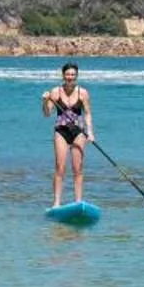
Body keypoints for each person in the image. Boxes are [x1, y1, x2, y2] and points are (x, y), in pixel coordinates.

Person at [41, 61, 92, 206]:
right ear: (63, 75)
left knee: (77, 168)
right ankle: (56, 203)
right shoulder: (55, 92)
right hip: (61, 131)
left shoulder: (83, 93)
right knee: (60, 167)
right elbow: (47, 114)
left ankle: (78, 201)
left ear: (77, 76)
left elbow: (87, 114)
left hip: (79, 132)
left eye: (73, 74)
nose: (70, 77)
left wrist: (91, 132)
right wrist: (45, 101)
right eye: (68, 74)